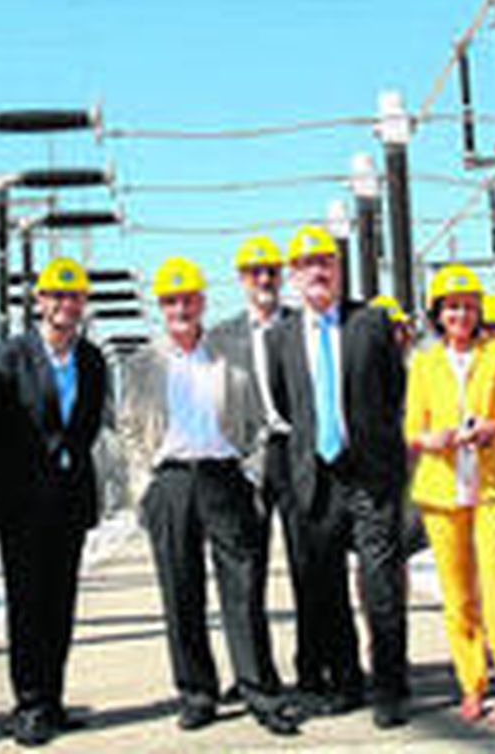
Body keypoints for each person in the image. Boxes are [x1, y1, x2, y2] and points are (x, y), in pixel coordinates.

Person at [119, 256, 301, 737]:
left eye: (189, 299)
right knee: (181, 593)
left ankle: (259, 690)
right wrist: (145, 485)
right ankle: (197, 693)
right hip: (172, 481)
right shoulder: (141, 365)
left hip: (225, 477)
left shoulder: (232, 355)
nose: (181, 308)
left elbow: (261, 420)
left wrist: (251, 474)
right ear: (162, 307)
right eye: (172, 301)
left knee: (242, 591)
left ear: (203, 302)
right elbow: (129, 429)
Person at [267, 225, 410, 728]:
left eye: (324, 261)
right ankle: (346, 681)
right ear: (293, 274)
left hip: (368, 473)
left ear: (337, 267)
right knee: (325, 587)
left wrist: (374, 445)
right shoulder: (280, 337)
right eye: (306, 263)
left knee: (380, 584)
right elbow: (288, 403)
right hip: (317, 477)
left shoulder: (369, 322)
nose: (317, 271)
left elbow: (394, 388)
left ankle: (389, 685)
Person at [0, 257, 109, 747]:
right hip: (22, 506)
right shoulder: (9, 357)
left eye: (73, 296)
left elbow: (88, 427)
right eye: (56, 295)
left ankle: (53, 698)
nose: (64, 305)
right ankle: (29, 703)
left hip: (70, 503)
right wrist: (10, 492)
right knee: (27, 605)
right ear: (39, 303)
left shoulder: (92, 360)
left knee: (60, 604)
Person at [404, 265, 495, 725]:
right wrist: (430, 439)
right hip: (443, 488)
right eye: (451, 306)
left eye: (467, 306)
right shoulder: (424, 363)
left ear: (479, 310)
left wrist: (494, 428)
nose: (459, 314)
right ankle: (472, 683)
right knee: (457, 594)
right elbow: (411, 430)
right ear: (437, 314)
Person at [205, 237, 302, 682]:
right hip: (245, 461)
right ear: (241, 279)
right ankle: (254, 673)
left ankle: (315, 667)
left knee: (312, 565)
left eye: (271, 271)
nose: (264, 279)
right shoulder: (220, 338)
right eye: (254, 272)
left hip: (297, 454)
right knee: (246, 573)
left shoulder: (304, 326)